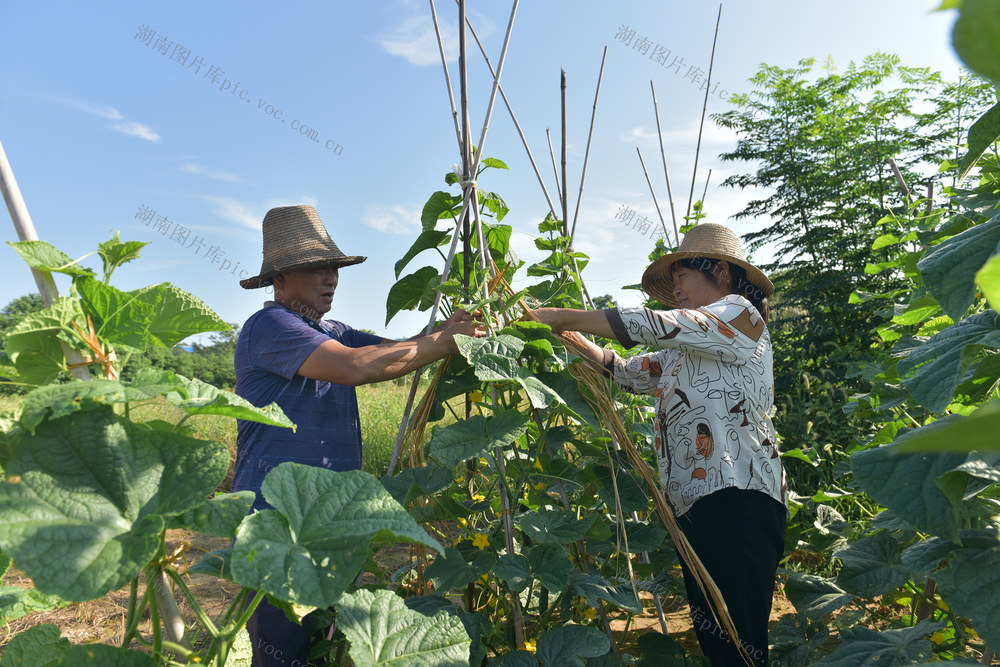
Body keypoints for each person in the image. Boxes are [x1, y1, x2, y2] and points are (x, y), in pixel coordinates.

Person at [232, 205, 482, 667]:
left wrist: (449, 330)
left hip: (329, 517)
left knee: (326, 642)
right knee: (283, 648)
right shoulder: (268, 327)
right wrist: (445, 342)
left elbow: (393, 350)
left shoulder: (335, 331)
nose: (330, 279)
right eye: (315, 269)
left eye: (334, 269)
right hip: (278, 522)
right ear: (279, 280)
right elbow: (356, 367)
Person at [532, 223, 787, 666]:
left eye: (683, 275)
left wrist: (560, 315)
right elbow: (626, 371)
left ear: (721, 273)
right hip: (699, 504)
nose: (676, 288)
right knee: (719, 641)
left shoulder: (741, 317)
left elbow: (655, 324)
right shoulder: (687, 349)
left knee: (740, 639)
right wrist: (573, 340)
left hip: (741, 498)